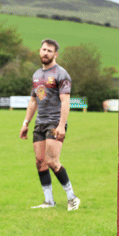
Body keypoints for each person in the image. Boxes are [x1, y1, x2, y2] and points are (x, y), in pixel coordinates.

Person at [19, 38, 80, 211]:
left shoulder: (62, 74)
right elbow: (33, 102)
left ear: (55, 54)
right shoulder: (36, 75)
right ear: (40, 51)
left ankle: (72, 197)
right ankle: (48, 201)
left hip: (54, 122)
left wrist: (61, 125)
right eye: (43, 49)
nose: (45, 53)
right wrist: (26, 123)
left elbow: (65, 101)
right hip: (40, 123)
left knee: (52, 161)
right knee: (40, 162)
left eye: (49, 50)